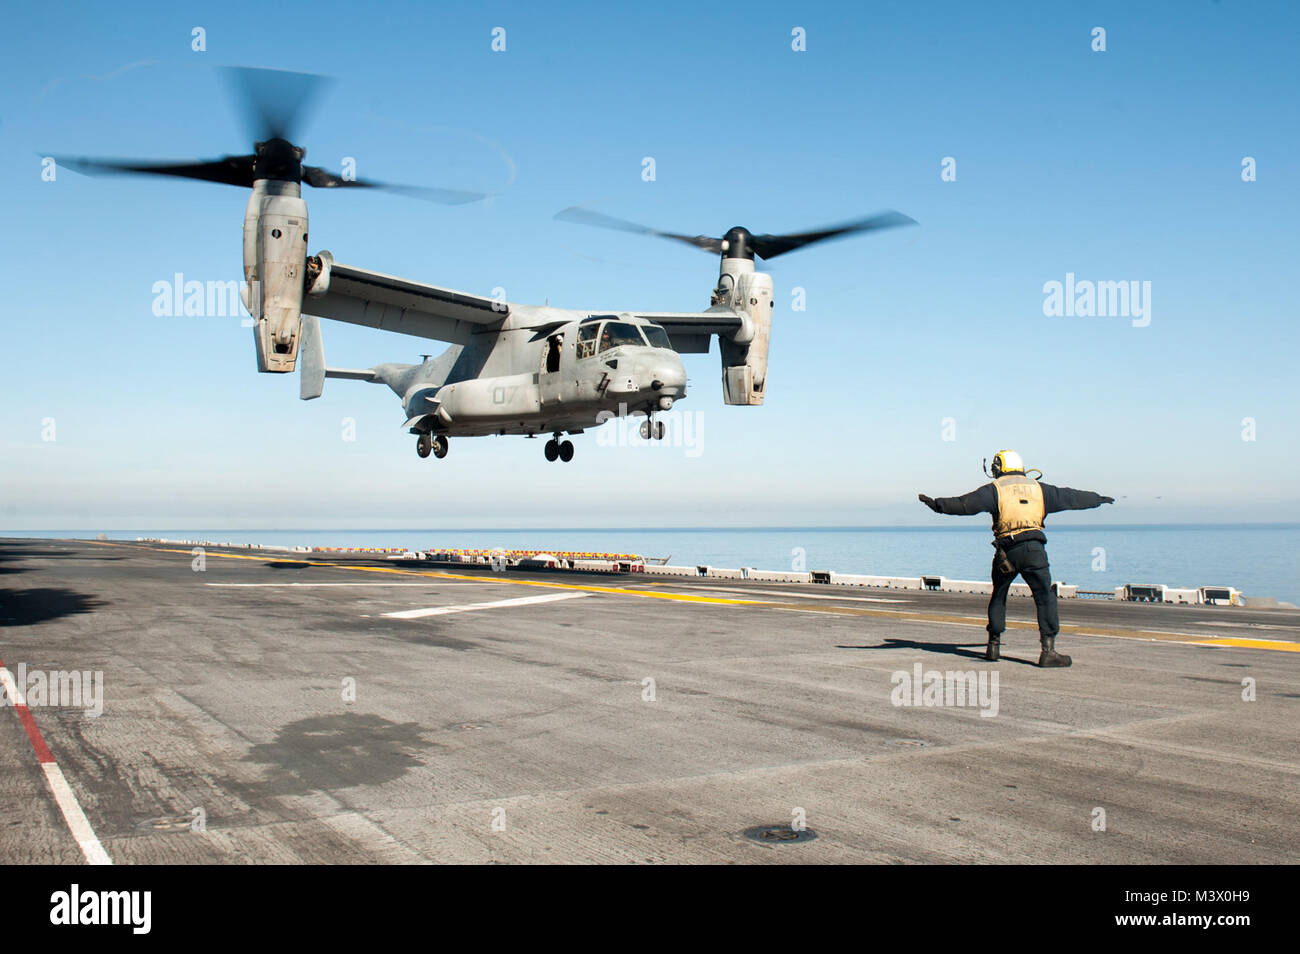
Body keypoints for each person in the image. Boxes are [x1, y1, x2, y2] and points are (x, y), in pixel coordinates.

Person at [918, 450, 1114, 668]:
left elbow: (964, 504)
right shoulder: (1040, 489)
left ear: (999, 467)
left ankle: (993, 646)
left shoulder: (994, 490)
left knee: (999, 596)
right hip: (1033, 550)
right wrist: (1098, 499)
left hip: (1005, 552)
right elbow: (1071, 497)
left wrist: (937, 505)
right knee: (1044, 597)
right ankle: (1048, 651)